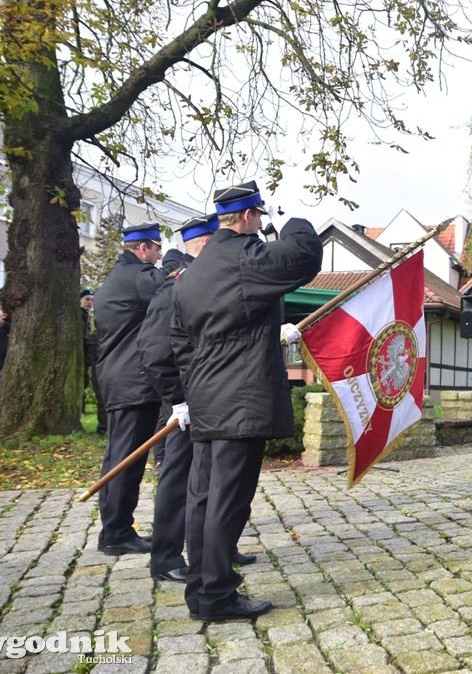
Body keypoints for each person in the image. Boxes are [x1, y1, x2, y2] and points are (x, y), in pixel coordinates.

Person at [172, 181, 322, 621]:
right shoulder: (244, 258)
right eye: (260, 216)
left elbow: (180, 344)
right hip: (240, 400)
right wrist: (289, 219)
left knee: (202, 497)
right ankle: (217, 596)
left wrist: (192, 393)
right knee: (228, 501)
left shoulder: (192, 273)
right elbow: (304, 254)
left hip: (206, 400)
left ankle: (201, 592)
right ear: (250, 216)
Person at [95, 222, 165, 555]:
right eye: (156, 248)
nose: (159, 255)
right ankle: (116, 533)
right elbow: (171, 289)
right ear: (142, 248)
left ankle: (115, 529)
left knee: (120, 456)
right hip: (132, 379)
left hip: (122, 376)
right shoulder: (138, 276)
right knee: (126, 459)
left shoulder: (119, 276)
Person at [80, 288, 108, 435]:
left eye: (92, 300)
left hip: (97, 360)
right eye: (87, 299)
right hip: (84, 361)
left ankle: (103, 427)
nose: (90, 303)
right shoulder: (79, 318)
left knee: (101, 394)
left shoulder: (94, 318)